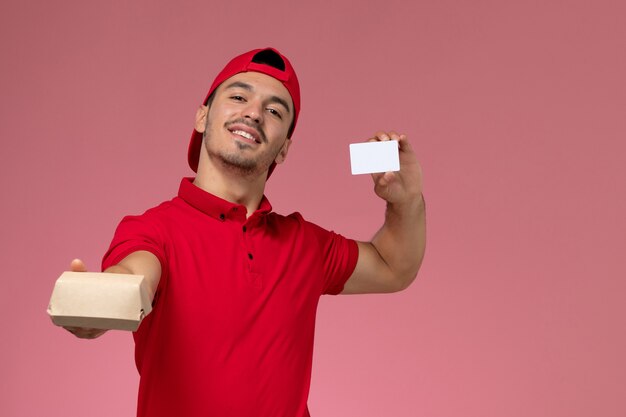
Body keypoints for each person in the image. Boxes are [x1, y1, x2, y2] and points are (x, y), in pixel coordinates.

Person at [63, 47, 426, 417]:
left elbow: (394, 266)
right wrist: (97, 305)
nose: (253, 113)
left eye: (274, 111)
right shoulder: (153, 230)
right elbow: (133, 276)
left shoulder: (305, 244)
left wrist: (406, 200)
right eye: (238, 97)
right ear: (202, 116)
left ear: (284, 149)